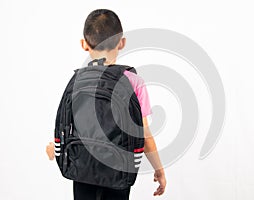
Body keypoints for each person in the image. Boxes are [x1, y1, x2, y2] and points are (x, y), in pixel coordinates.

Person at [46, 9, 166, 200]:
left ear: (84, 45)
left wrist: (56, 148)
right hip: (118, 171)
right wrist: (159, 169)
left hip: (82, 169)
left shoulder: (77, 80)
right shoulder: (133, 81)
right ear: (122, 42)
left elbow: (69, 126)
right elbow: (145, 136)